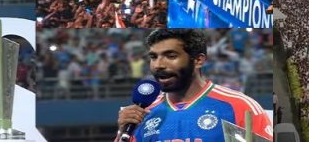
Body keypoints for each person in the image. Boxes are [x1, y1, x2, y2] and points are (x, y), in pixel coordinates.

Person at [116, 29, 273, 142]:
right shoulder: (144, 113)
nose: (158, 65)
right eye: (153, 57)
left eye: (171, 56)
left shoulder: (239, 106)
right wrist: (122, 133)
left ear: (198, 60)